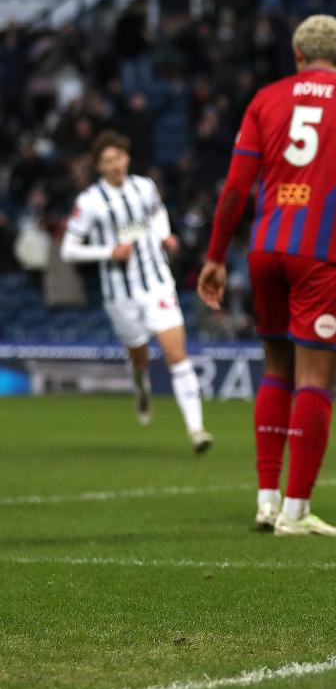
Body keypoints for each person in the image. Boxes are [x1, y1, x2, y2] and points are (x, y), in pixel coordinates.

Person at [198, 15, 336, 538]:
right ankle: (295, 510)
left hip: (265, 251)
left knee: (275, 370)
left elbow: (236, 188)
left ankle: (266, 501)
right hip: (322, 256)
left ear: (296, 53)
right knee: (316, 379)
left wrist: (216, 256)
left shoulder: (266, 98)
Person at [61, 131, 212, 453]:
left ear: (126, 158)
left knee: (176, 355)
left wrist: (165, 235)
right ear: (99, 166)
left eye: (118, 157)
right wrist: (108, 252)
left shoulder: (144, 187)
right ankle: (141, 386)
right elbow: (69, 250)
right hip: (120, 293)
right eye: (107, 161)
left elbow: (156, 213)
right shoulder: (89, 203)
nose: (114, 164)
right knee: (139, 356)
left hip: (157, 281)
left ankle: (197, 430)